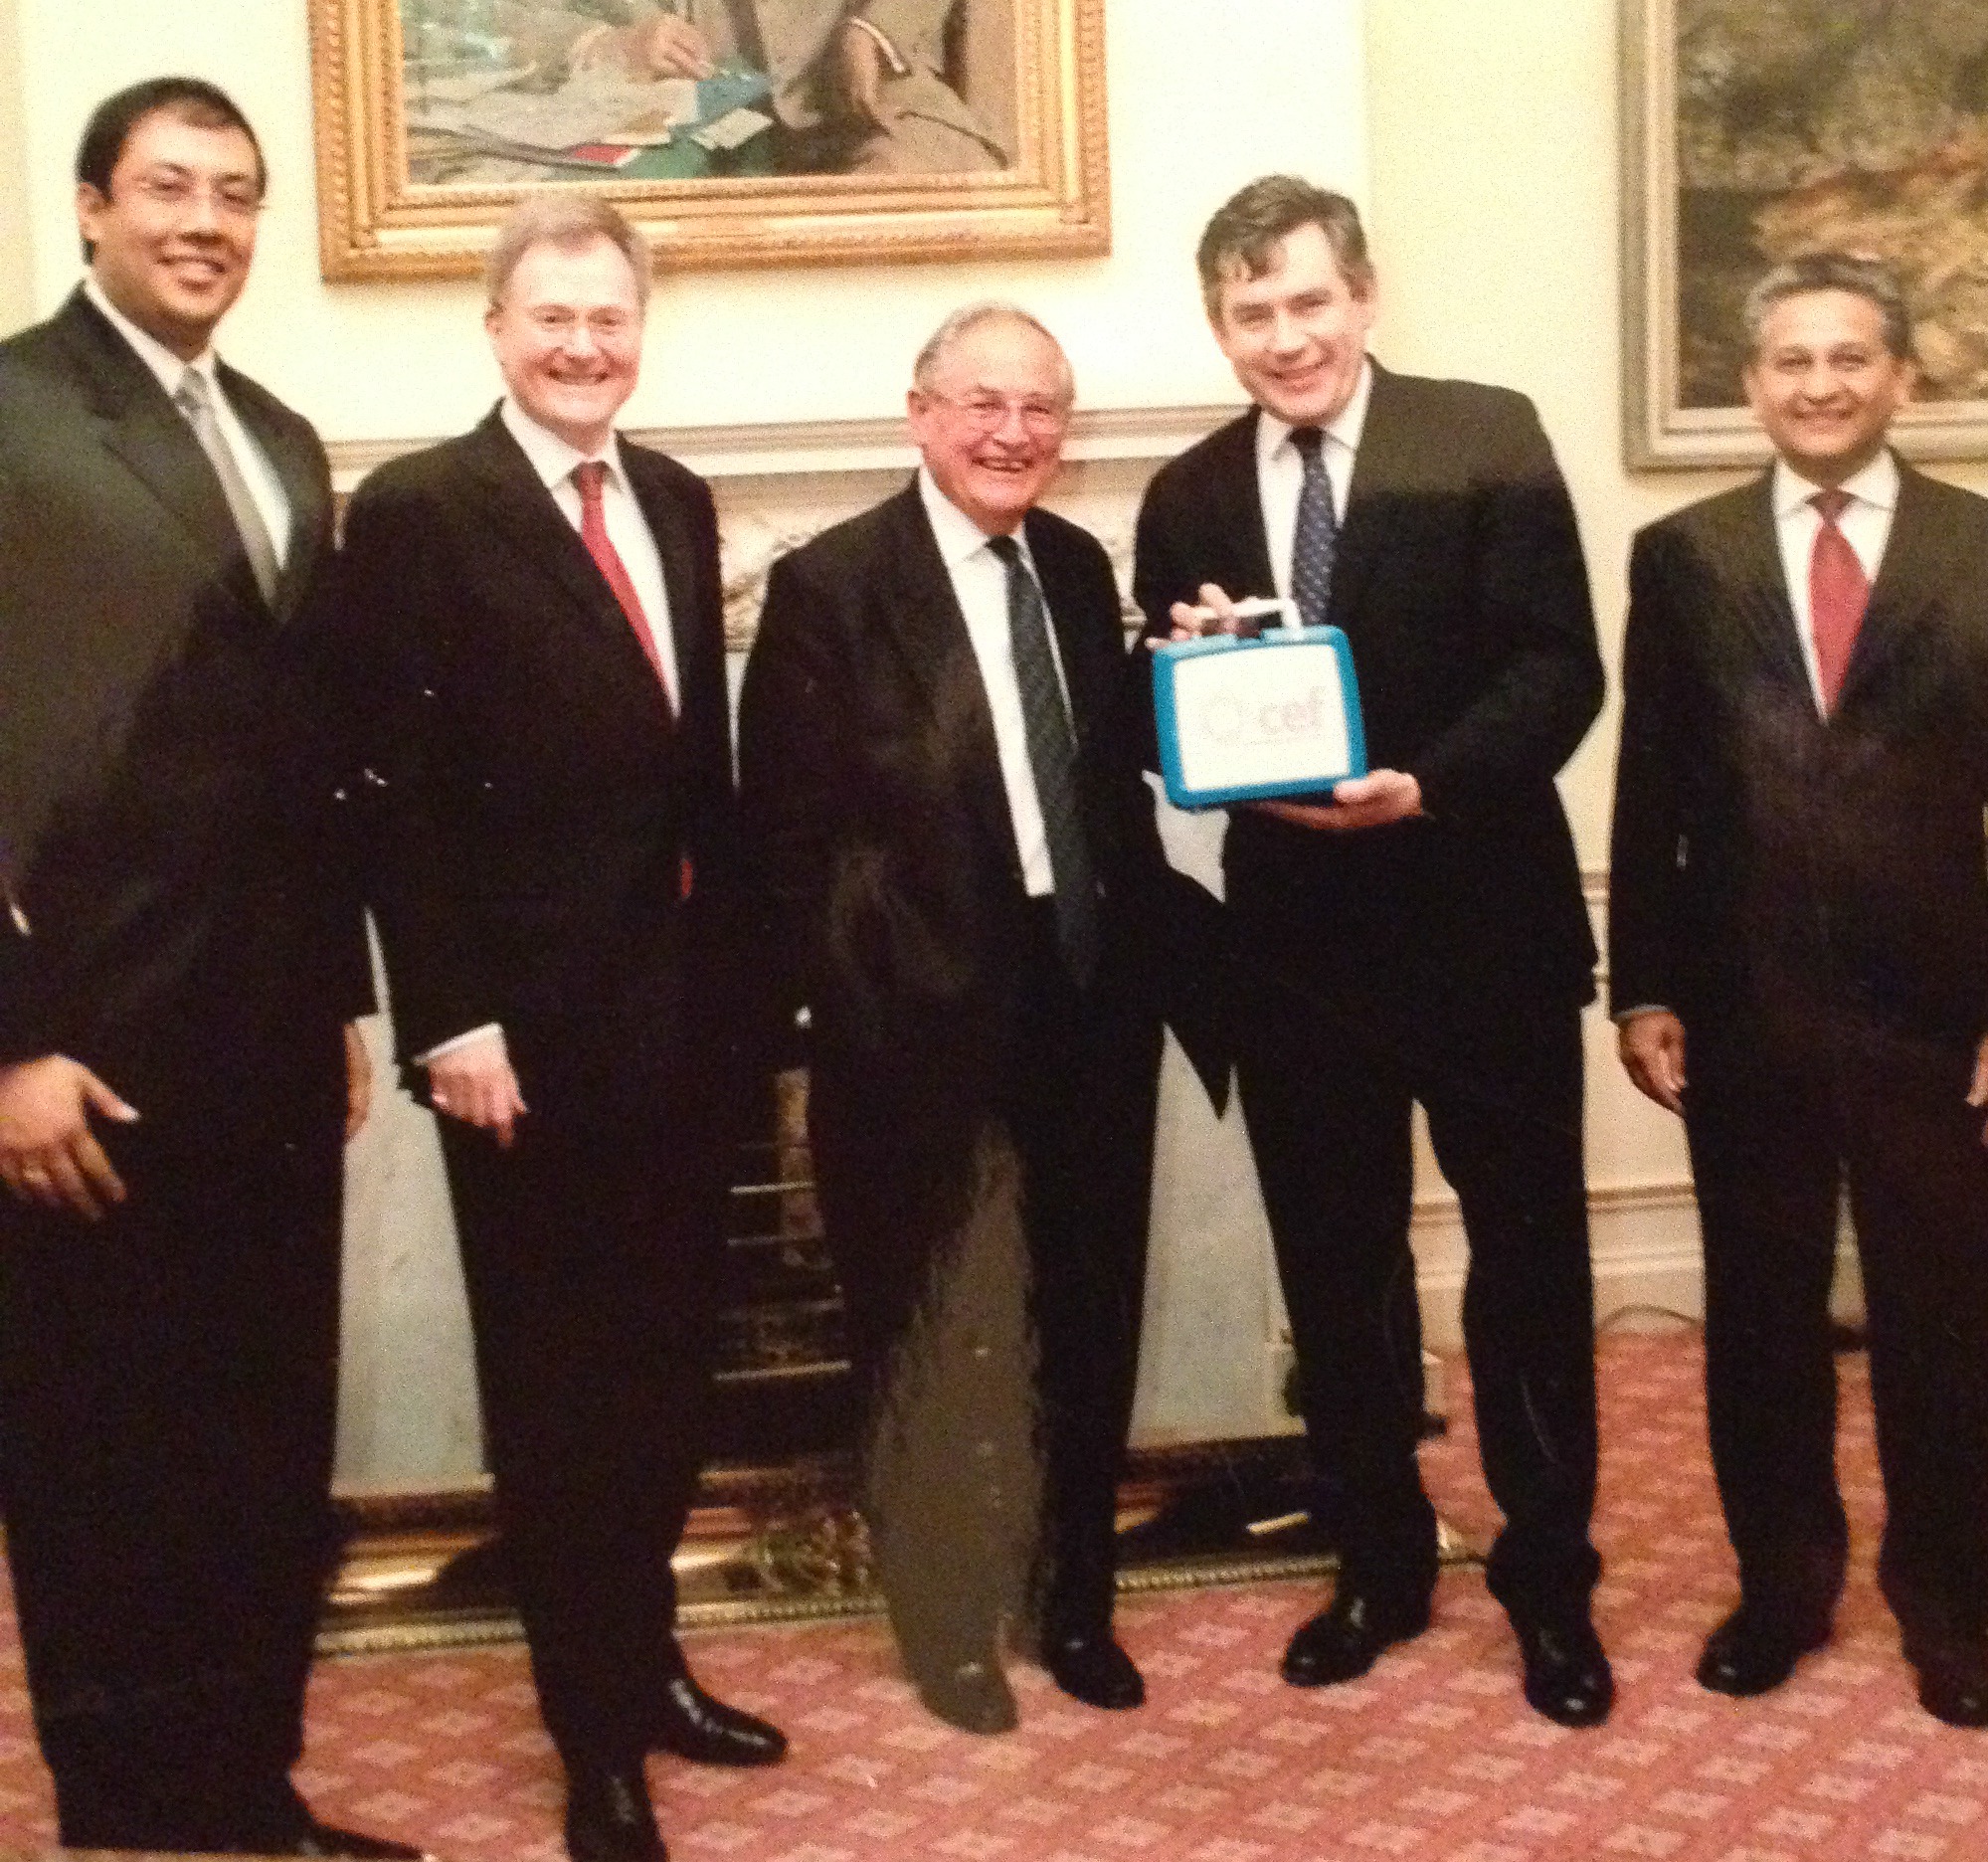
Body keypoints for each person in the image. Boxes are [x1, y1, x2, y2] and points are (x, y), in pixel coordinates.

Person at [0, 77, 422, 1858]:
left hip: (262, 1041)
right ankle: (128, 1820)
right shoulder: (12, 414)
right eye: (168, 187)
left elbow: (296, 753)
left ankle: (249, 1794)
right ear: (91, 206)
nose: (206, 222)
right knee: (102, 1458)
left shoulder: (279, 429)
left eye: (236, 194)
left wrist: (335, 992)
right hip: (82, 1054)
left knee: (263, 1445)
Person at [1133, 175, 1613, 1728]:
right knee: (1339, 1276)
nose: (1286, 338)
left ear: (1364, 294)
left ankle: (1548, 1582)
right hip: (1297, 955)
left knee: (1529, 1270)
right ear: (1220, 325)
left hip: (1486, 931)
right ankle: (1381, 1563)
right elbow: (1171, 728)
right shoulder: (1186, 493)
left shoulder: (1487, 431)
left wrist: (1428, 786)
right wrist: (1187, 674)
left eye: (1308, 302)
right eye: (1252, 313)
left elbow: (1563, 668)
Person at [343, 195, 784, 1862]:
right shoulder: (418, 512)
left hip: (683, 1028)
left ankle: (649, 1662)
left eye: (609, 316)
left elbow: (696, 777)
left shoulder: (668, 497)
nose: (583, 344)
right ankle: (591, 1740)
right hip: (516, 1047)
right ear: (495, 326)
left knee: (671, 1377)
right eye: (553, 318)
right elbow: (391, 802)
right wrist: (448, 1014)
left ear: (639, 325)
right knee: (557, 1398)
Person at [1608, 252, 1988, 1730]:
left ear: (1904, 378)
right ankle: (1784, 1588)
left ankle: (1948, 1607)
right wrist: (1644, 987)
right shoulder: (1681, 557)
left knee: (1943, 1327)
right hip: (1744, 1012)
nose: (1819, 384)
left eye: (1850, 357)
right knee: (1759, 1320)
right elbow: (1652, 788)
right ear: (1752, 385)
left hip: (1941, 1022)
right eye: (1791, 360)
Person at [740, 303, 1202, 1734]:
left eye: (1043, 411)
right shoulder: (829, 586)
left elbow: (1113, 788)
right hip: (912, 1031)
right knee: (929, 1329)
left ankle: (1072, 1603)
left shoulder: (1073, 569)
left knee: (1084, 1314)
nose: (1014, 434)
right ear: (921, 411)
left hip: (1084, 1001)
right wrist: (856, 1001)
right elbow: (784, 840)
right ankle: (945, 1626)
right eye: (985, 404)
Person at [487, 0, 1002, 173]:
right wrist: (617, 42)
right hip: (666, 142)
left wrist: (872, 31)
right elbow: (498, 18)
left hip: (870, 108)